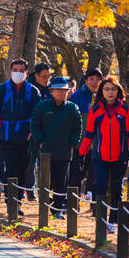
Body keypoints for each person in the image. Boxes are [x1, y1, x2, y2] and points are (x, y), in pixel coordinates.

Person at [78, 77, 129, 233]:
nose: (110, 92)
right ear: (101, 91)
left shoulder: (125, 110)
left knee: (117, 189)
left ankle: (113, 222)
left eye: (113, 89)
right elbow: (89, 133)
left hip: (120, 156)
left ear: (118, 91)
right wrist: (81, 152)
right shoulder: (95, 110)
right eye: (107, 89)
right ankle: (101, 220)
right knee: (101, 186)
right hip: (99, 156)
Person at [29, 76, 84, 218]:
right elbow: (34, 125)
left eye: (64, 90)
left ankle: (57, 210)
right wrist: (40, 140)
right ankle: (46, 203)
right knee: (47, 181)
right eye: (57, 90)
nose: (61, 93)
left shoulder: (73, 108)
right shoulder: (43, 106)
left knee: (62, 182)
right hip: (46, 151)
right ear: (51, 91)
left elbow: (78, 128)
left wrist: (73, 143)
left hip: (65, 152)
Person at [0, 59, 41, 202]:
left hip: (26, 137)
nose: (18, 73)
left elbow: (37, 115)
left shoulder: (33, 91)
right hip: (7, 136)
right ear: (10, 71)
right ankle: (10, 201)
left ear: (26, 72)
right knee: (9, 169)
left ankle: (18, 200)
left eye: (21, 70)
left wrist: (34, 132)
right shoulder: (1, 89)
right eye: (15, 70)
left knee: (23, 169)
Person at [69, 67, 103, 197]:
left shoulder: (103, 97)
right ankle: (72, 201)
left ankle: (95, 204)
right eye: (92, 79)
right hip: (80, 143)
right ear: (86, 81)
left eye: (98, 79)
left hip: (98, 145)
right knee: (77, 173)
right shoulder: (77, 96)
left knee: (95, 175)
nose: (95, 82)